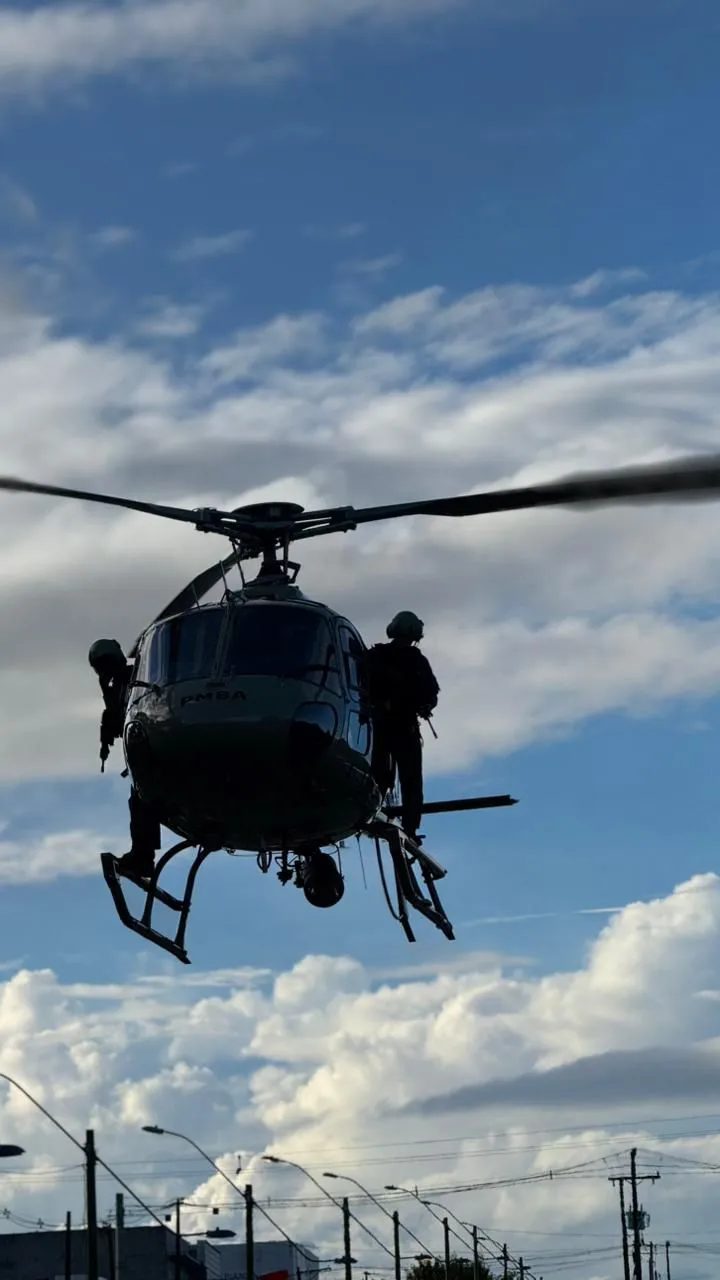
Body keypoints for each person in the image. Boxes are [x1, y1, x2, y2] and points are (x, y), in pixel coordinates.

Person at [364, 611, 440, 844]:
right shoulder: (417, 661)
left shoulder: (376, 655)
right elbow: (431, 693)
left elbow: (364, 682)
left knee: (380, 774)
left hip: (383, 726)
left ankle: (371, 813)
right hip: (402, 726)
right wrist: (424, 705)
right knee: (410, 780)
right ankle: (410, 826)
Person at [88, 638, 160, 879]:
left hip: (161, 749)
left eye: (106, 664)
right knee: (139, 799)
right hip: (151, 757)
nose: (104, 670)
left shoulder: (137, 676)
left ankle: (143, 857)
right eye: (100, 668)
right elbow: (115, 717)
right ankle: (142, 857)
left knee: (142, 798)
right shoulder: (117, 687)